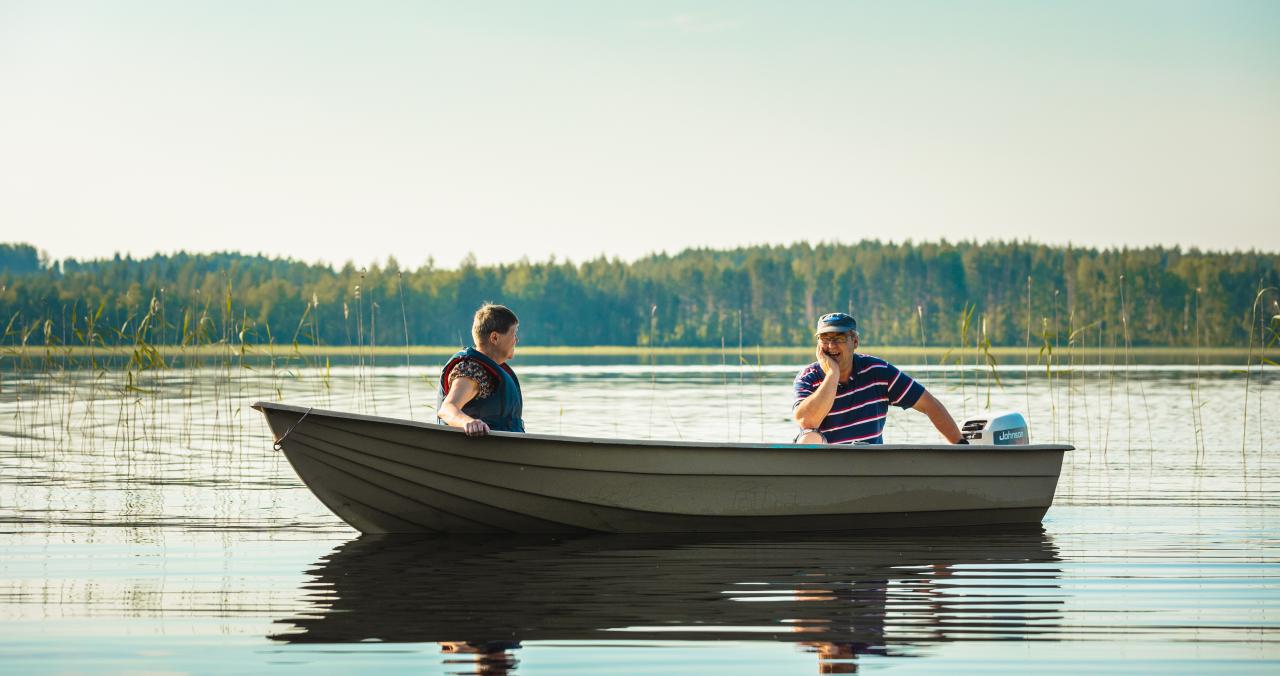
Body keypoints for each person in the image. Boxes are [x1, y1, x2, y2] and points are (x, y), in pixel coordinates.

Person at [793, 312, 964, 445]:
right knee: (809, 437)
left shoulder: (878, 371)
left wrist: (961, 446)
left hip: (869, 467)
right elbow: (806, 421)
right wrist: (832, 374)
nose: (831, 346)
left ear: (855, 342)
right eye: (825, 339)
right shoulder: (808, 377)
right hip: (823, 472)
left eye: (839, 338)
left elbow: (929, 405)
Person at [437, 303, 524, 436]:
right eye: (514, 333)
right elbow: (447, 409)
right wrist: (467, 422)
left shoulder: (489, 369)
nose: (516, 340)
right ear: (495, 337)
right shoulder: (472, 370)